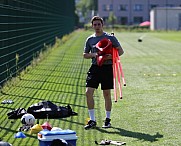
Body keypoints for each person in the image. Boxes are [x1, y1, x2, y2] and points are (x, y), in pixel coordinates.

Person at [83, 16, 124, 130]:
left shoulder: (110, 38)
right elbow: (85, 54)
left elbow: (121, 51)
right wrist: (94, 55)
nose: (97, 27)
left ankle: (107, 120)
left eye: (98, 24)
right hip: (95, 67)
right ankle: (92, 120)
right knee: (88, 92)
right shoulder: (90, 39)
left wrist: (110, 57)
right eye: (94, 25)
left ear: (102, 25)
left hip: (107, 68)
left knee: (106, 94)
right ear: (92, 26)